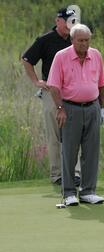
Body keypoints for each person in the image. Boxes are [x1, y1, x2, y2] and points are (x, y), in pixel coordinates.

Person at [47, 23, 104, 206]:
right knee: (69, 152)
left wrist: (102, 108)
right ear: (72, 40)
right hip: (70, 109)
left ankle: (88, 191)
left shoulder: (96, 55)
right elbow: (54, 86)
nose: (84, 44)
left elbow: (102, 83)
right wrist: (60, 109)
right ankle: (69, 193)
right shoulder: (62, 57)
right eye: (80, 40)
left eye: (87, 40)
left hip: (92, 108)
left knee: (91, 152)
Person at [22, 7, 82, 186]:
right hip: (51, 90)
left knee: (74, 133)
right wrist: (36, 82)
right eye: (68, 21)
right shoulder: (45, 40)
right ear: (58, 21)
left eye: (74, 21)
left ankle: (75, 173)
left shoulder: (75, 40)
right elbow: (27, 60)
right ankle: (57, 175)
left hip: (72, 91)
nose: (71, 24)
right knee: (55, 135)